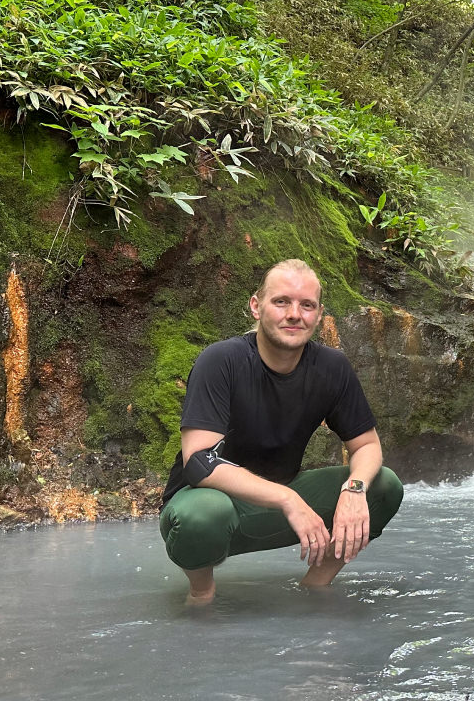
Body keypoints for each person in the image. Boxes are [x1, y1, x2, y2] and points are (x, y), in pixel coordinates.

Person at [158, 259, 403, 604]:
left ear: (318, 316)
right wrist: (287, 499)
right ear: (256, 307)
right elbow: (199, 462)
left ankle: (315, 588)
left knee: (384, 485)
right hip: (206, 507)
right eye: (281, 301)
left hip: (284, 502)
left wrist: (355, 488)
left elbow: (367, 445)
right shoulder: (221, 361)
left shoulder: (332, 368)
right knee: (204, 514)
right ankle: (201, 595)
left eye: (307, 305)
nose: (294, 314)